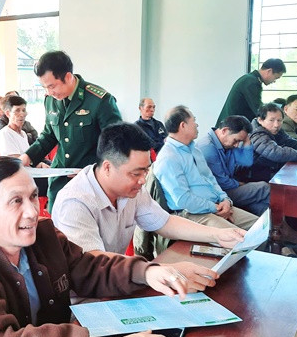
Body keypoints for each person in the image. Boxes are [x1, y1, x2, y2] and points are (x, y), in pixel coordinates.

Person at [0, 156, 191, 337]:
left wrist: (146, 272)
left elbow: (89, 268)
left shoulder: (41, 236)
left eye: (33, 197)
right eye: (16, 201)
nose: (32, 212)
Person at [52, 123, 245, 290]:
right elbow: (93, 264)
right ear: (108, 167)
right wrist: (153, 271)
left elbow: (164, 222)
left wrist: (217, 235)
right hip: (85, 297)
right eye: (136, 173)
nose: (143, 180)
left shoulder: (130, 190)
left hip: (118, 279)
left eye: (146, 171)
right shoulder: (75, 203)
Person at [19, 51, 122, 211]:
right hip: (60, 181)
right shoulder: (51, 100)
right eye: (45, 87)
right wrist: (27, 157)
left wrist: (95, 171)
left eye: (52, 86)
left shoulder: (99, 100)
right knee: (56, 224)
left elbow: (116, 145)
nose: (49, 92)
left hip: (91, 183)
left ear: (68, 77)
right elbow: (49, 135)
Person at [153, 106, 258, 230]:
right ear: (183, 125)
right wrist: (215, 207)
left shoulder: (194, 150)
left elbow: (211, 179)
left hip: (216, 205)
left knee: (260, 227)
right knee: (237, 236)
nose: (197, 125)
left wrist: (225, 200)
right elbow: (183, 200)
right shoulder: (168, 158)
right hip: (192, 213)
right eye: (194, 121)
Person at [196, 115, 270, 216]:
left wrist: (246, 141)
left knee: (259, 206)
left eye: (240, 141)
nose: (237, 145)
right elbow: (222, 182)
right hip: (218, 194)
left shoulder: (227, 144)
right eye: (236, 140)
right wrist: (240, 184)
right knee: (264, 188)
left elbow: (247, 162)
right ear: (224, 130)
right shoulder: (207, 148)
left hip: (227, 187)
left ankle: (273, 224)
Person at [216, 58, 286, 124]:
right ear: (269, 71)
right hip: (231, 126)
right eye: (276, 78)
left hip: (232, 122)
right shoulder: (252, 82)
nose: (274, 81)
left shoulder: (250, 78)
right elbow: (258, 109)